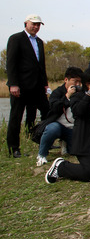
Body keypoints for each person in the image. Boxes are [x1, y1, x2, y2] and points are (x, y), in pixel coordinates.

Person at [6, 14, 50, 158]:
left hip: (37, 86)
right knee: (16, 116)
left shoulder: (39, 42)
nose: (36, 27)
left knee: (48, 111)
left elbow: (40, 66)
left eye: (38, 25)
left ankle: (42, 139)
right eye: (33, 24)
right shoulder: (16, 39)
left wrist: (45, 84)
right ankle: (14, 148)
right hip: (21, 86)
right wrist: (13, 84)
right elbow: (11, 63)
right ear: (26, 23)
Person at [36, 67, 83, 166]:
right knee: (52, 128)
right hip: (59, 126)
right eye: (75, 82)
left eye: (80, 82)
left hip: (73, 128)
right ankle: (42, 155)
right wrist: (67, 96)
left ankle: (66, 143)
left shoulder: (81, 93)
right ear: (66, 80)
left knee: (75, 151)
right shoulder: (57, 93)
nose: (78, 85)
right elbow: (54, 108)